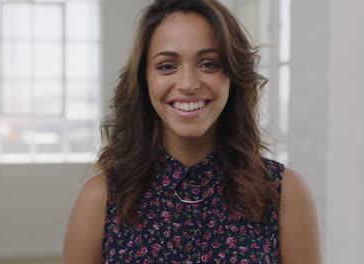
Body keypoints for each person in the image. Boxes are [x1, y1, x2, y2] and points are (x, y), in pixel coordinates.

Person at [63, 0, 321, 263]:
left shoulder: (285, 192)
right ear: (144, 79)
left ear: (232, 75)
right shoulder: (100, 199)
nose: (188, 84)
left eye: (209, 64)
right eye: (167, 66)